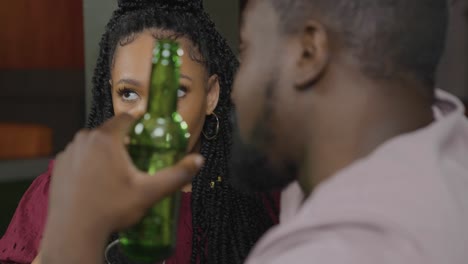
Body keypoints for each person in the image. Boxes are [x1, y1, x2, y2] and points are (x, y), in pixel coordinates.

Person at [35, 0, 468, 263]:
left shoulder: (334, 252)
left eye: (247, 49)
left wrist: (72, 240)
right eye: (128, 93)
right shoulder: (445, 149)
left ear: (308, 52)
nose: (237, 93)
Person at [0, 0, 279, 263]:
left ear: (211, 95)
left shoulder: (258, 197)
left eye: (175, 91)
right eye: (129, 94)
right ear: (110, 94)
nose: (150, 116)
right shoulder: (63, 192)